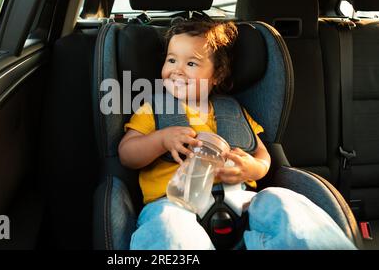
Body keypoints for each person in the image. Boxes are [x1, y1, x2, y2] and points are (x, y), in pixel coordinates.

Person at [118, 20, 356, 250]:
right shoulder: (153, 109)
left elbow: (262, 154)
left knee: (283, 202)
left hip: (242, 202)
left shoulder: (232, 110)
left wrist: (253, 168)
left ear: (217, 75)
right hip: (174, 203)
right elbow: (127, 154)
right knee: (169, 229)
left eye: (191, 64)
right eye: (171, 60)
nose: (177, 70)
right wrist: (160, 140)